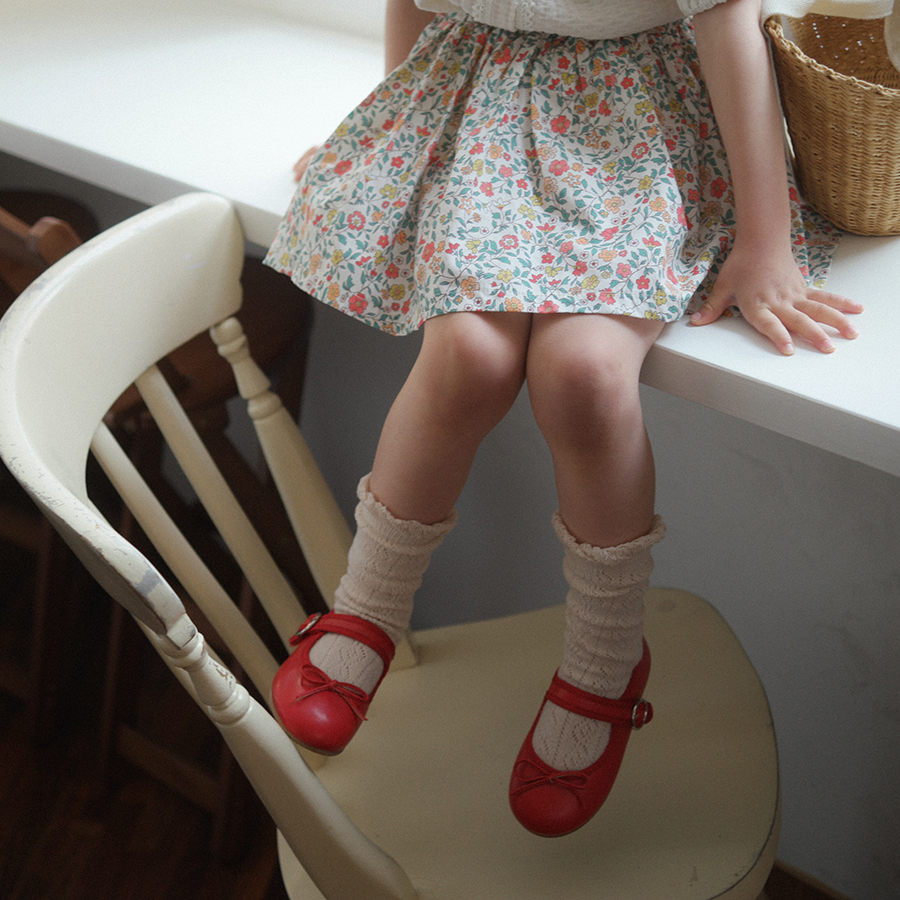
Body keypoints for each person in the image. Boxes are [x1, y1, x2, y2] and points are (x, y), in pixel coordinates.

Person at [265, 0, 862, 837]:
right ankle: (368, 603)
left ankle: (606, 654)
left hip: (635, 129)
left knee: (584, 374)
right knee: (467, 357)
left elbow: (728, 17)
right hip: (481, 109)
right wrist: (398, 131)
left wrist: (764, 241)